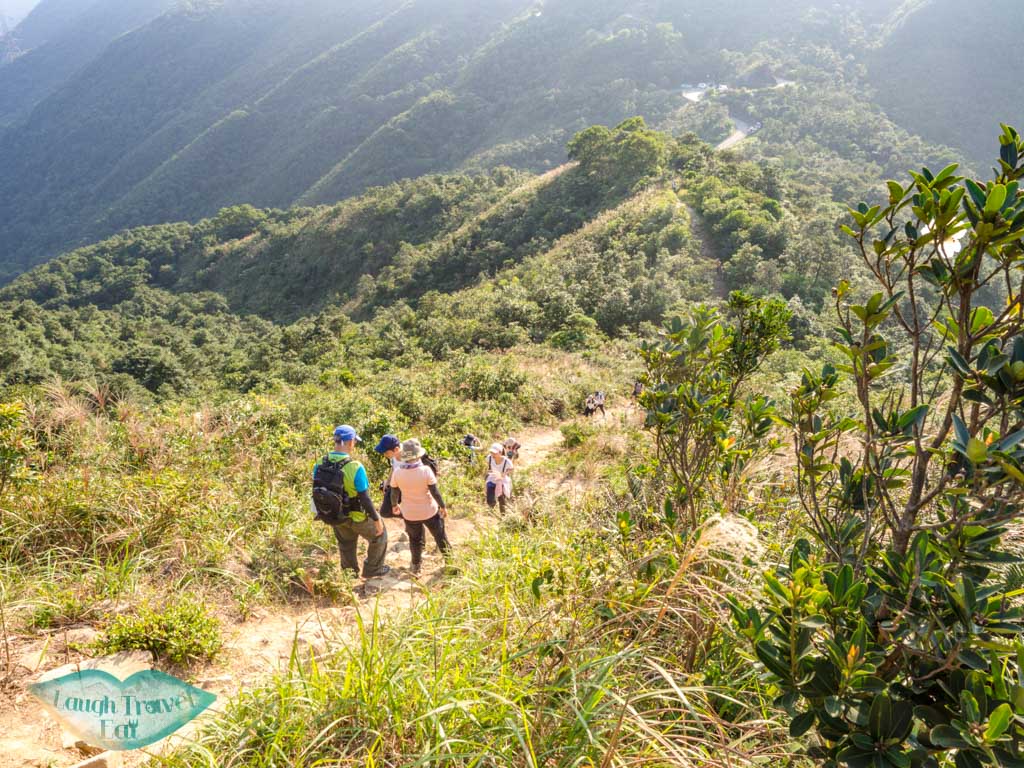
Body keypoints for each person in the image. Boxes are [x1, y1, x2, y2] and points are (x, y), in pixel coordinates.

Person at [313, 425, 389, 579]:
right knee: (380, 536)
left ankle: (349, 575)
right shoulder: (355, 467)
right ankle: (372, 570)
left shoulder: (320, 462)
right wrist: (376, 519)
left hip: (335, 515)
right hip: (357, 516)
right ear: (350, 442)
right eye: (354, 441)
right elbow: (365, 498)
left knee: (346, 544)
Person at [389, 438, 451, 574]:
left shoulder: (397, 472)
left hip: (410, 513)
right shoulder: (426, 470)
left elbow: (394, 491)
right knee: (440, 536)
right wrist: (442, 506)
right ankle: (450, 562)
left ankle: (416, 566)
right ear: (418, 455)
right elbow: (435, 491)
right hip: (429, 510)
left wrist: (394, 505)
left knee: (415, 540)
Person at [374, 434, 402, 518]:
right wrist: (387, 483)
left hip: (406, 487)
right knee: (384, 512)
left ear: (396, 449)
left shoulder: (408, 458)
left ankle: (412, 517)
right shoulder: (394, 454)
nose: (384, 455)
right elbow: (393, 469)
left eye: (386, 452)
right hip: (396, 485)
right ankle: (409, 516)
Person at [485, 442, 513, 514]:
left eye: (495, 453)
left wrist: (504, 474)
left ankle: (503, 514)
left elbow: (511, 468)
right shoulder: (489, 458)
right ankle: (492, 508)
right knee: (489, 495)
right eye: (491, 452)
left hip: (502, 480)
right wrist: (489, 471)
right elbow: (489, 465)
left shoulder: (506, 461)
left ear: (500, 452)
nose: (493, 454)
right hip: (493, 477)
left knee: (501, 497)